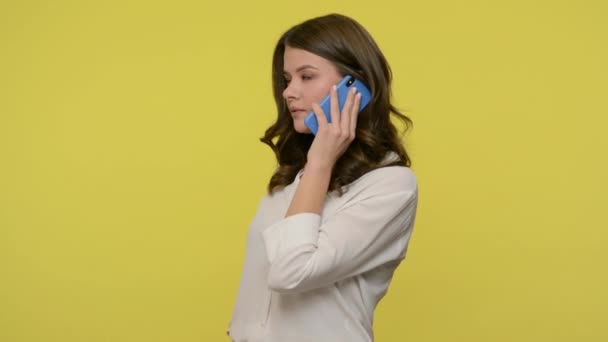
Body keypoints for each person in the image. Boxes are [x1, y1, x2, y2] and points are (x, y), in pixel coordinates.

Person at [227, 13, 418, 342]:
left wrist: (319, 163)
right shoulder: (290, 180)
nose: (289, 92)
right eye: (287, 79)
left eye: (307, 76)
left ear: (355, 85)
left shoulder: (390, 186)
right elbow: (255, 296)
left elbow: (290, 273)